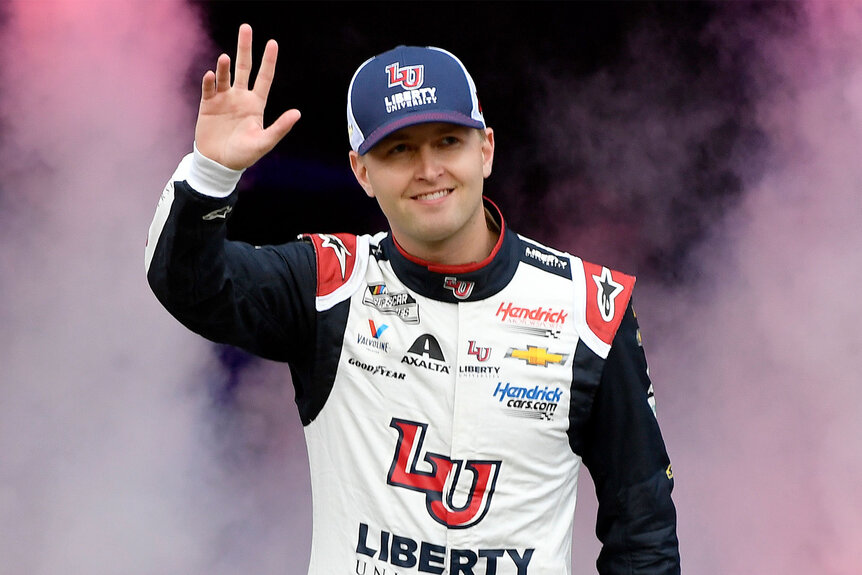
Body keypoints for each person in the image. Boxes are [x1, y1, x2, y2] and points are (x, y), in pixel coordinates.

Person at [146, 23, 680, 575]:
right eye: (399, 150)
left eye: (448, 141)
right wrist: (211, 173)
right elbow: (189, 286)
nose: (428, 170)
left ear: (486, 149)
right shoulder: (329, 282)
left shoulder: (590, 308)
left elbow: (643, 530)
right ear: (362, 172)